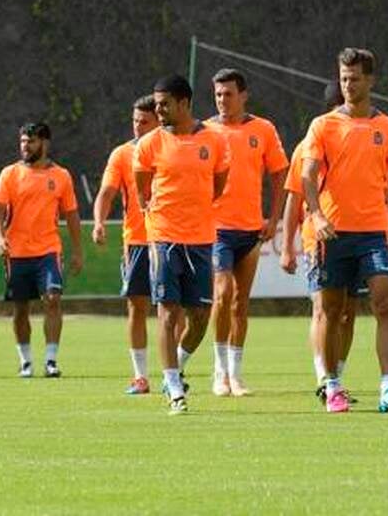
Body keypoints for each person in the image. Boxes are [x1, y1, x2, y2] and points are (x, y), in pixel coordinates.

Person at [303, 47, 388, 413]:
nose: (348, 84)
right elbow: (307, 175)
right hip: (333, 233)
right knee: (332, 312)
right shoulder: (323, 125)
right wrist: (317, 216)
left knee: (383, 302)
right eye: (344, 78)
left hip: (372, 233)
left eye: (355, 78)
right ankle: (332, 385)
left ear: (371, 81)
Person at [134, 75, 230, 415]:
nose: (158, 110)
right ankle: (174, 386)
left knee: (201, 316)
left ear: (185, 103)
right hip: (163, 237)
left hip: (202, 239)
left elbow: (218, 184)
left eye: (164, 104)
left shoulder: (214, 141)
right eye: (156, 104)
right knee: (168, 312)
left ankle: (177, 364)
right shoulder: (149, 144)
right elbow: (142, 187)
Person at [206, 69, 289, 397]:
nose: (222, 100)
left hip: (251, 229)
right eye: (217, 95)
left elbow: (279, 174)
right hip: (217, 230)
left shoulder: (263, 129)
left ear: (243, 95)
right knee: (222, 294)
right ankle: (218, 371)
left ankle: (235, 374)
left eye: (228, 94)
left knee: (241, 303)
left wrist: (274, 217)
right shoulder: (206, 131)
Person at [280, 81, 359, 403]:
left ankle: (337, 375)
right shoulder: (309, 144)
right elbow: (294, 198)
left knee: (349, 311)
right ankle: (324, 379)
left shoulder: (365, 136)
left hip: (357, 234)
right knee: (323, 309)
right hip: (320, 238)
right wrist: (287, 245)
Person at [0, 122, 83, 379]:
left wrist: (77, 250)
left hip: (48, 251)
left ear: (44, 143)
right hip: (16, 252)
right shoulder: (9, 174)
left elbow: (72, 215)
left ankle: (51, 360)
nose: (25, 146)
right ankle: (26, 361)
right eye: (22, 141)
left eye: (30, 141)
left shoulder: (61, 176)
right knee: (20, 309)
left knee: (53, 299)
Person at [94, 95, 159, 394]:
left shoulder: (169, 149)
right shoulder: (121, 155)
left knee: (176, 310)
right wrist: (98, 222)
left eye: (144, 122)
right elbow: (107, 192)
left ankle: (175, 370)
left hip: (171, 237)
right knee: (137, 307)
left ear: (158, 121)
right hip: (137, 241)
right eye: (135, 121)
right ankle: (140, 376)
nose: (138, 127)